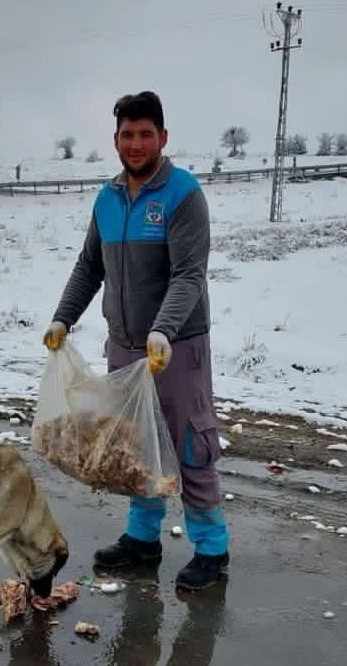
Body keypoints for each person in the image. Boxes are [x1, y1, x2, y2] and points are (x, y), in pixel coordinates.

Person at [42, 91, 229, 590]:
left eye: (146, 134)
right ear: (116, 140)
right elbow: (89, 267)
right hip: (124, 347)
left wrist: (163, 330)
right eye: (128, 134)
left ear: (163, 137)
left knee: (190, 444)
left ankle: (212, 548)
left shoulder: (183, 194)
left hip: (177, 346)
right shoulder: (107, 198)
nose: (137, 143)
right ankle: (142, 539)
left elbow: (189, 275)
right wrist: (63, 319)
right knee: (136, 444)